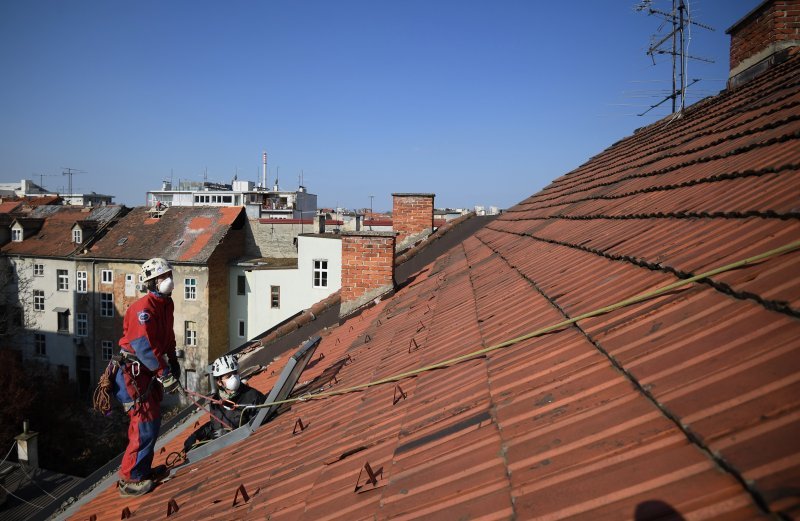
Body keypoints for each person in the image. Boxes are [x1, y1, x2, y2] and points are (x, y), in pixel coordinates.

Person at [114, 257, 182, 497]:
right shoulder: (143, 309)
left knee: (151, 423)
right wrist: (164, 372)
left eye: (168, 276)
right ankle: (131, 478)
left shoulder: (166, 304)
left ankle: (140, 470)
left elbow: (167, 336)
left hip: (147, 371)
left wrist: (173, 361)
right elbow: (144, 346)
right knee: (144, 423)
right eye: (162, 278)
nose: (168, 281)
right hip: (133, 373)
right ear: (151, 283)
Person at [183, 354, 265, 450]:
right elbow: (215, 425)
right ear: (219, 382)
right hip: (223, 452)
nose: (233, 378)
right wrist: (196, 435)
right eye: (228, 376)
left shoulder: (252, 396)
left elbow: (259, 424)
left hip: (245, 448)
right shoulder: (215, 402)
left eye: (235, 373)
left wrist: (231, 434)